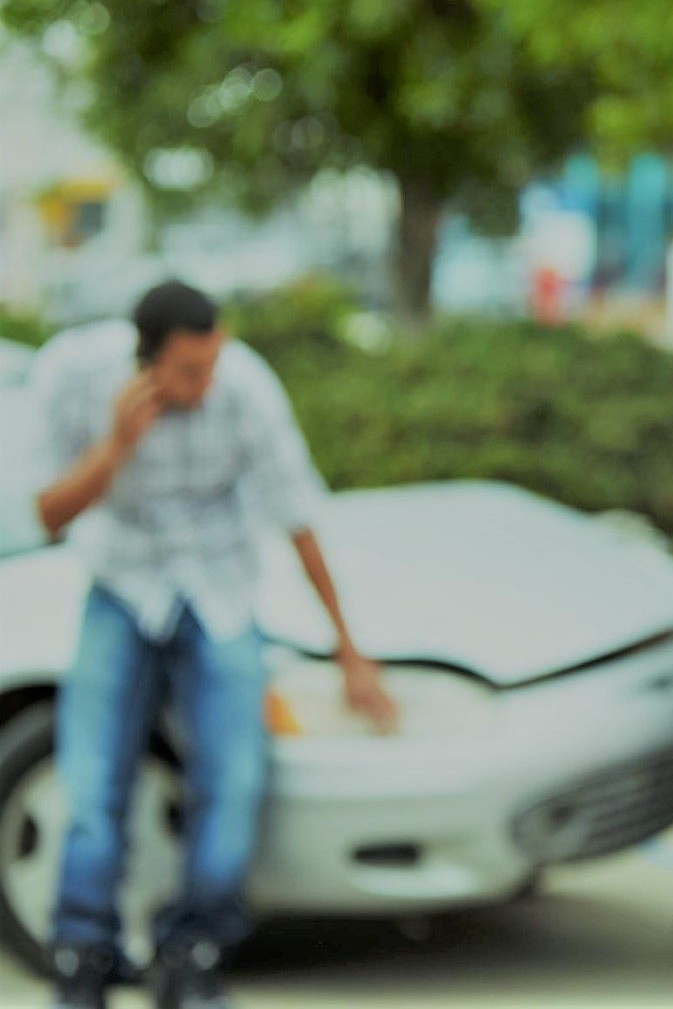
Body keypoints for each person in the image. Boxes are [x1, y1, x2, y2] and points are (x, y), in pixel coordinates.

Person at [29, 281, 400, 1009]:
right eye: (189, 371)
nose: (207, 382)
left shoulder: (246, 390)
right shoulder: (73, 373)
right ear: (146, 364)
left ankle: (191, 952)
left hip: (219, 589)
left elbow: (297, 516)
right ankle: (82, 956)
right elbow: (47, 514)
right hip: (123, 582)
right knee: (90, 779)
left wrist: (349, 649)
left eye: (212, 363)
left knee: (233, 779)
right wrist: (117, 444)